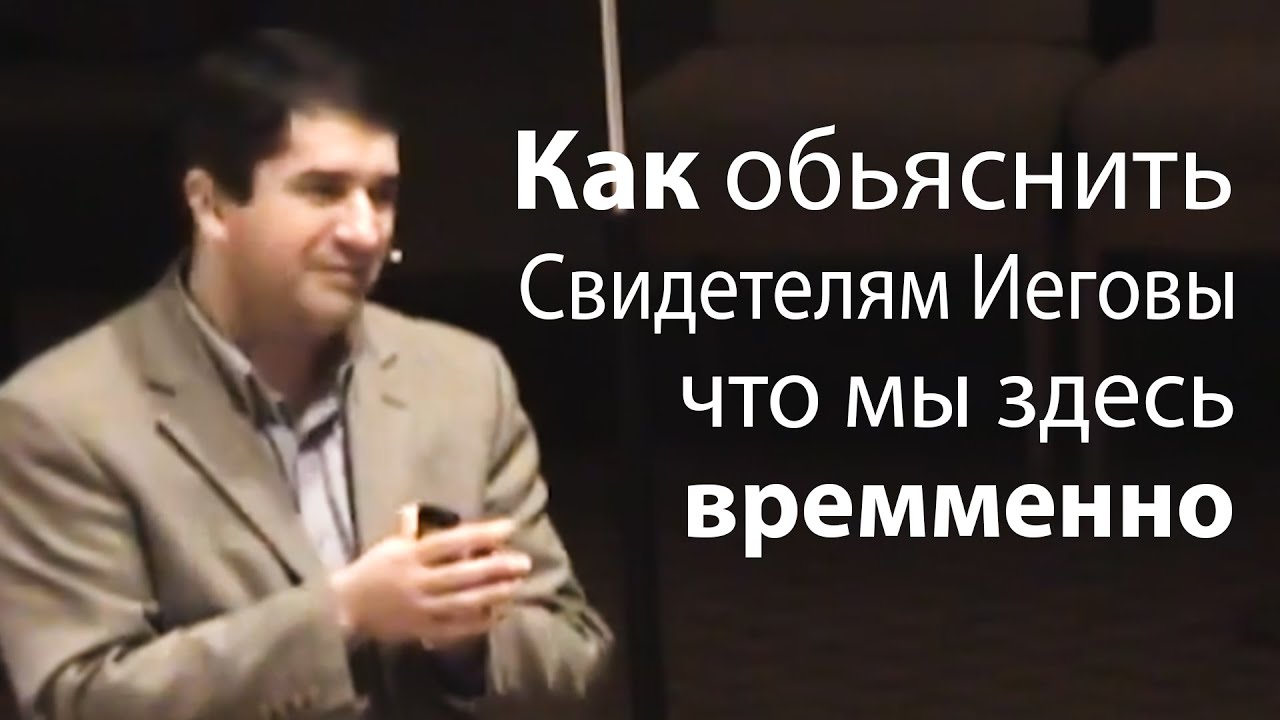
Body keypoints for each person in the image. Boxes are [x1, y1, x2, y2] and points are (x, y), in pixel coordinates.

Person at [0, 27, 612, 720]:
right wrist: (344, 613)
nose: (365, 231)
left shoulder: (462, 379)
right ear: (210, 204)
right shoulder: (63, 416)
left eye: (382, 195)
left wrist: (465, 647)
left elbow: (573, 655)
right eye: (323, 192)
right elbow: (81, 700)